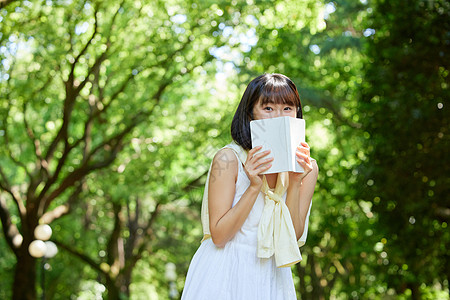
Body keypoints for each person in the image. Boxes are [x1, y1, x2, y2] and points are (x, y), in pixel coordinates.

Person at [181, 73, 319, 300]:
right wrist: (253, 185)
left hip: (272, 276)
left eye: (287, 108)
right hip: (224, 272)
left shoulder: (307, 168)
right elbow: (219, 236)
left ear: (297, 114)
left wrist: (295, 183)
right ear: (250, 114)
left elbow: (291, 237)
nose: (279, 117)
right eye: (268, 108)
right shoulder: (227, 159)